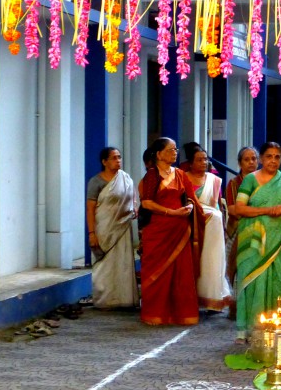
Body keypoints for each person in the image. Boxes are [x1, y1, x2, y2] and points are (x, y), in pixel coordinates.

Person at [233, 142, 281, 341]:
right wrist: (267, 210)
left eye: (277, 157)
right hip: (254, 241)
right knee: (254, 281)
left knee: (278, 281)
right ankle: (252, 329)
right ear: (262, 159)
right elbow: (239, 208)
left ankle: (274, 325)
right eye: (268, 156)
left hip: (279, 239)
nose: (273, 161)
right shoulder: (250, 180)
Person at [138, 138, 203, 326]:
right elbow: (147, 202)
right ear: (158, 154)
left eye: (175, 149)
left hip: (180, 229)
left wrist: (190, 207)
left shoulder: (181, 174)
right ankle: (156, 314)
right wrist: (171, 212)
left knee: (181, 273)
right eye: (170, 150)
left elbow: (190, 198)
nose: (175, 153)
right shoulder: (152, 175)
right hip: (159, 228)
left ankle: (181, 314)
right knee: (157, 272)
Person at [86, 147, 140, 309]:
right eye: (114, 158)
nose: (118, 160)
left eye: (119, 157)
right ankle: (105, 300)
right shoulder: (96, 182)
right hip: (104, 229)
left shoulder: (126, 179)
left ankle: (124, 299)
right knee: (104, 264)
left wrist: (134, 209)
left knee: (122, 263)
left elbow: (133, 200)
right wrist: (92, 233)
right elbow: (90, 209)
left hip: (123, 228)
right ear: (104, 162)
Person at [183, 143, 231, 312]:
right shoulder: (183, 178)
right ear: (190, 163)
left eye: (205, 159)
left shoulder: (214, 180)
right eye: (199, 160)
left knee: (211, 259)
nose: (203, 162)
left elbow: (218, 205)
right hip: (190, 226)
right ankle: (191, 298)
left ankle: (213, 295)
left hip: (213, 229)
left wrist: (221, 224)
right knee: (192, 261)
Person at [225, 146, 258, 320]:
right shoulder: (234, 184)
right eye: (247, 159)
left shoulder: (264, 182)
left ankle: (255, 306)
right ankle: (235, 307)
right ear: (240, 163)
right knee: (235, 268)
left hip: (259, 230)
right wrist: (257, 211)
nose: (251, 162)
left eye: (254, 158)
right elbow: (233, 209)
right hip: (237, 229)